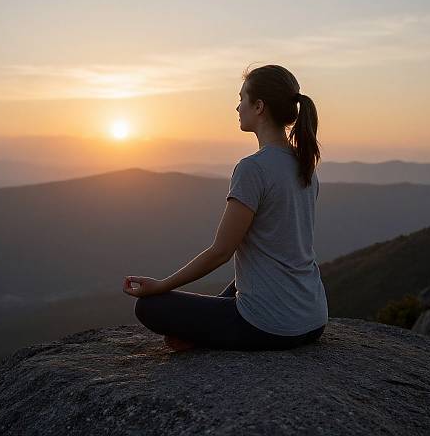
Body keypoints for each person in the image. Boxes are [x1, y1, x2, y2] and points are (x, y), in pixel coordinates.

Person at [123, 64, 328, 351]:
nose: (237, 107)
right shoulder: (305, 165)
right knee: (239, 283)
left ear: (259, 107)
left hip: (269, 327)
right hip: (312, 318)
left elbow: (221, 251)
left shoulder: (253, 169)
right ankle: (202, 332)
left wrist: (161, 286)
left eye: (242, 98)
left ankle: (198, 335)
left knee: (150, 307)